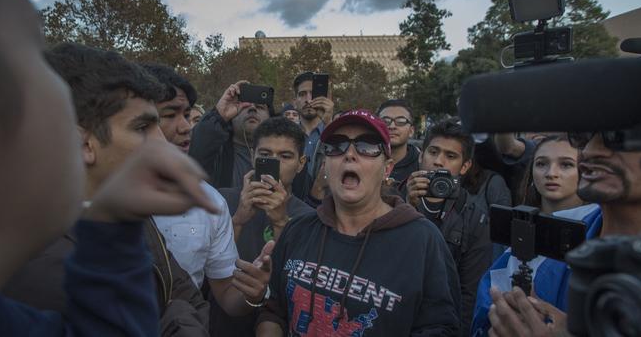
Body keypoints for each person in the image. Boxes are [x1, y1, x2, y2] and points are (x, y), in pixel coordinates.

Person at [0, 0, 217, 335]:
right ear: (82, 141)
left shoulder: (124, 218)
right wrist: (175, 319)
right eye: (143, 128)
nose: (163, 143)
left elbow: (185, 296)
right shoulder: (39, 274)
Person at [257, 109, 461, 336]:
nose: (350, 154)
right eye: (336, 145)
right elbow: (273, 310)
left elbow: (441, 328)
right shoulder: (298, 229)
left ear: (387, 168)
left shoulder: (424, 241)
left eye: (367, 146)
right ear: (325, 165)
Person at [142, 63, 273, 318]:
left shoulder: (210, 202)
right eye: (169, 115)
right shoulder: (89, 195)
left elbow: (226, 295)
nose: (185, 127)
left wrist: (253, 294)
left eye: (187, 115)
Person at [475, 133, 637, 337]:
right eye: (584, 138)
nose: (589, 151)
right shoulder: (542, 236)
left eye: (616, 137)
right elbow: (483, 321)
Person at [211, 117, 315, 336]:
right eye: (265, 155)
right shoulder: (222, 200)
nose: (274, 163)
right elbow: (203, 268)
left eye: (285, 156)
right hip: (222, 324)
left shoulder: (309, 218)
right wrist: (238, 219)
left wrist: (280, 222)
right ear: (252, 156)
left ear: (301, 163)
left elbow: (298, 282)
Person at [405, 118, 492, 335]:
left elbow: (469, 293)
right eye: (433, 152)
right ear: (421, 155)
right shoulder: (393, 200)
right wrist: (407, 207)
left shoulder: (475, 218)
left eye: (450, 156)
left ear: (465, 166)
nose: (438, 161)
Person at [189, 81, 271, 188]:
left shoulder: (284, 155)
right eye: (244, 106)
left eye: (260, 106)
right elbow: (195, 156)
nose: (252, 108)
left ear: (270, 117)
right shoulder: (216, 153)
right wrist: (218, 115)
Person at [291, 71, 335, 177]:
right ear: (294, 102)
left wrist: (329, 123)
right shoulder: (287, 135)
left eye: (313, 93)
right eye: (302, 94)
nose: (308, 100)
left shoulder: (334, 133)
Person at [376, 99, 419, 186]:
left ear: (411, 131)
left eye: (400, 122)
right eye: (385, 121)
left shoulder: (421, 165)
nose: (392, 126)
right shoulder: (364, 161)